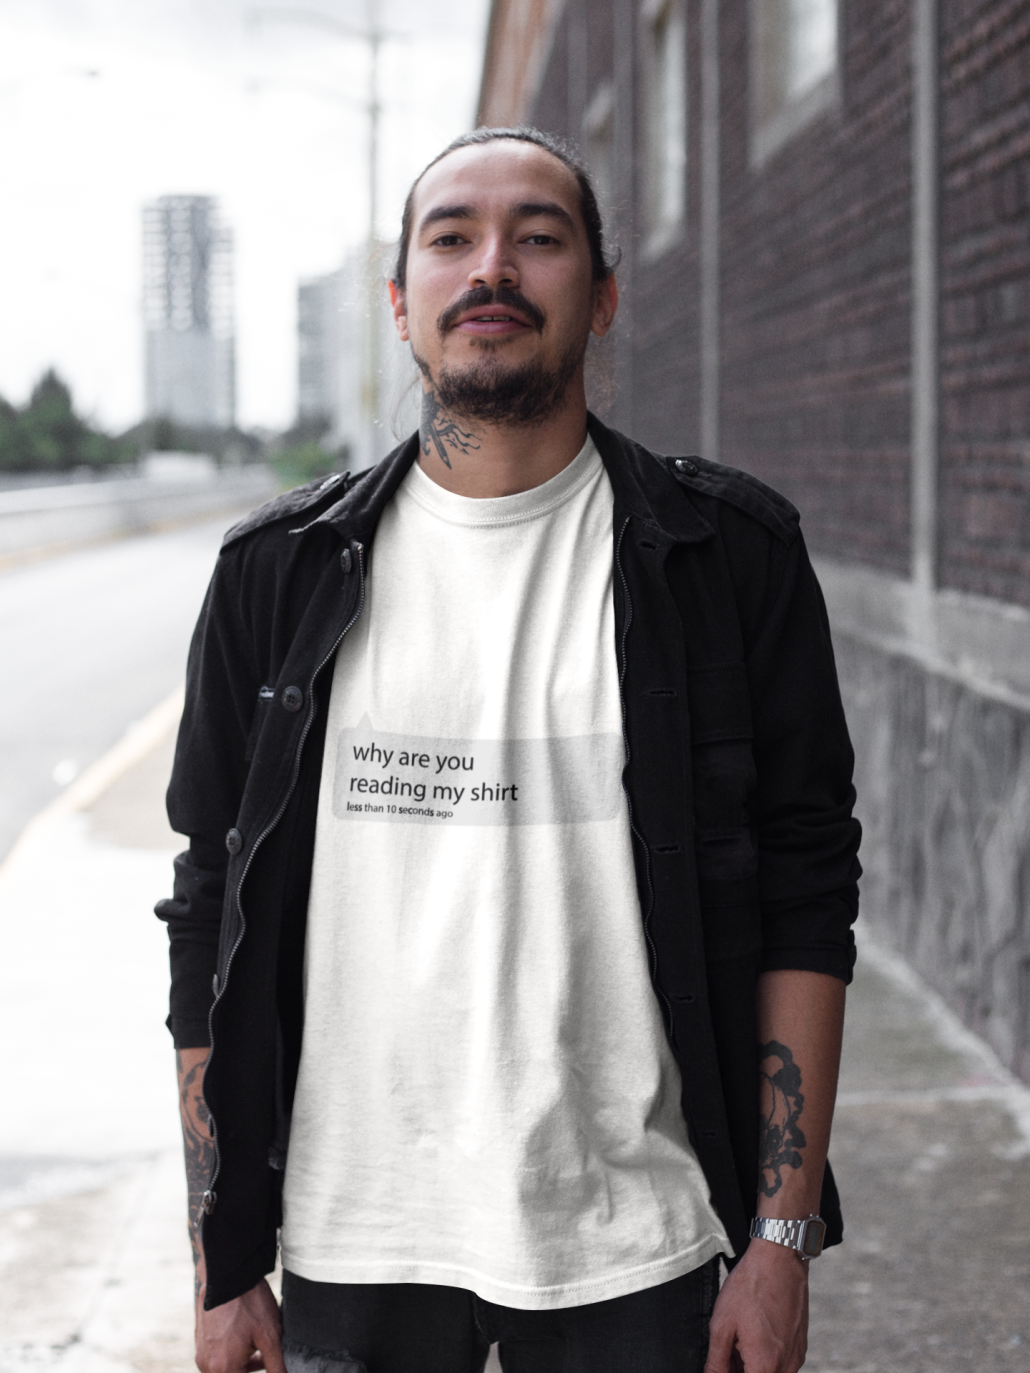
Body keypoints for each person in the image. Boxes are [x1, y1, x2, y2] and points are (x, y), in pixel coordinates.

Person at [159, 126, 861, 1373]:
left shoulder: (727, 560)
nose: (492, 265)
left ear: (601, 297)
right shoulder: (277, 575)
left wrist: (781, 1237)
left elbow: (807, 889)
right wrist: (222, 1255)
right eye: (452, 237)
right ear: (399, 304)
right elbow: (209, 906)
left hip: (639, 1242)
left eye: (538, 236)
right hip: (352, 1238)